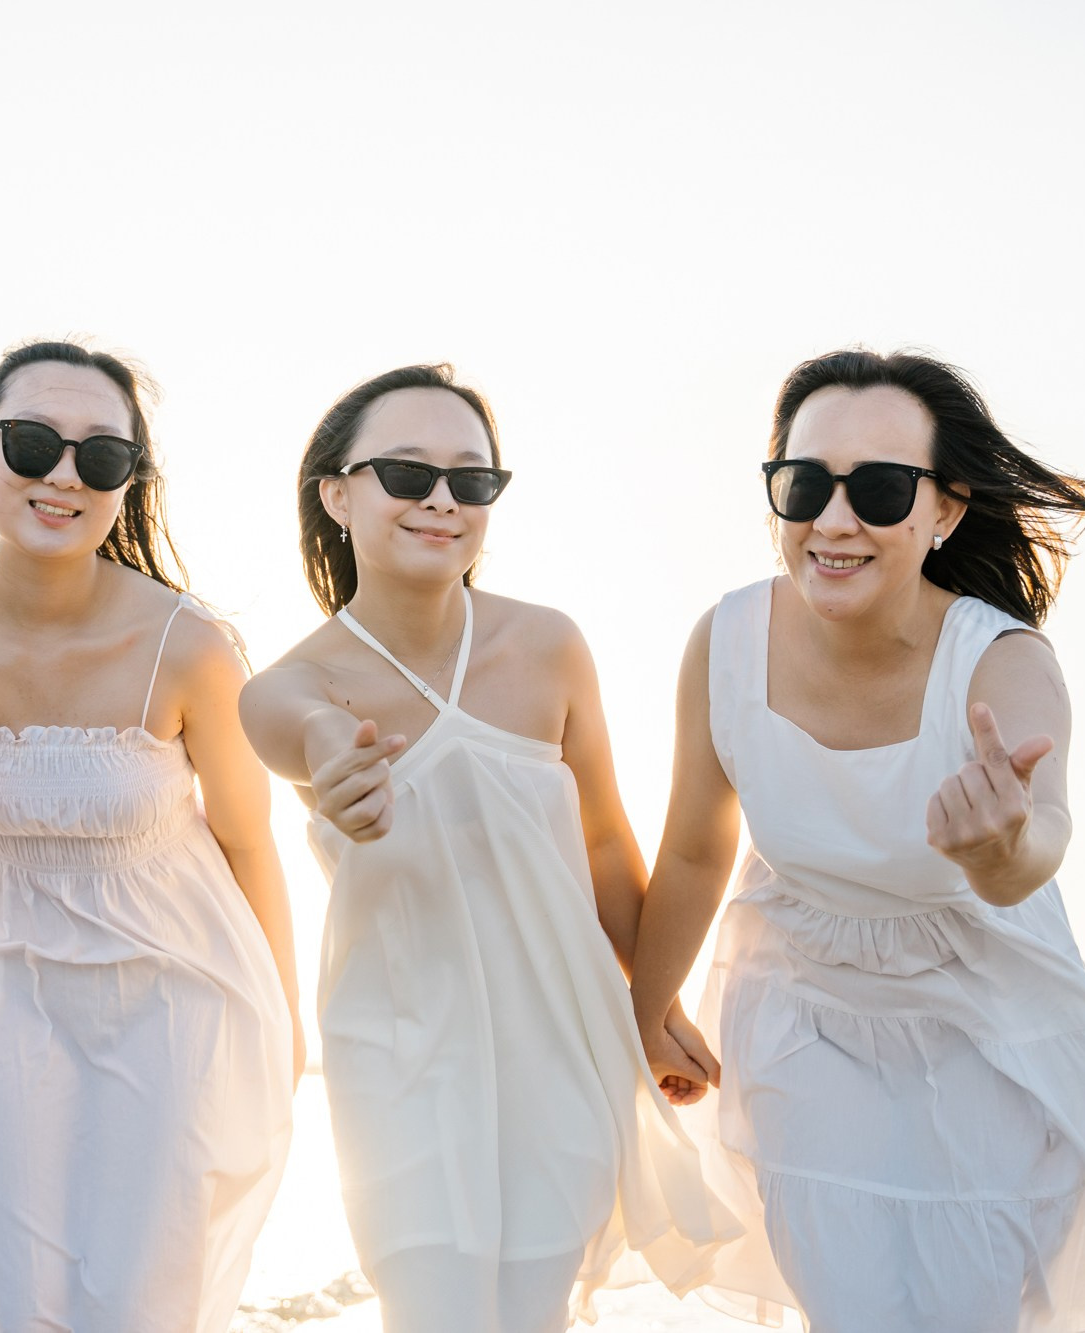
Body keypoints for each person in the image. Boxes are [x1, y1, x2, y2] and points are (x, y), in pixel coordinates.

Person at [630, 349, 1085, 1329]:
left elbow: (1038, 841)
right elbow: (697, 850)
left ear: (943, 511)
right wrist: (644, 1002)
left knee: (964, 1305)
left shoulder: (999, 659)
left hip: (983, 1018)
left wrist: (996, 846)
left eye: (878, 489)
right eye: (802, 485)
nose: (834, 521)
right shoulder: (725, 638)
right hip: (800, 1006)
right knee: (849, 1303)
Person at [238, 365, 737, 1333]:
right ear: (336, 494)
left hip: (562, 1042)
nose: (440, 498)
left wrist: (652, 1004)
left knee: (530, 1312)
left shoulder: (549, 645)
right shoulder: (288, 686)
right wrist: (334, 758)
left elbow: (602, 841)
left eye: (470, 480)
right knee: (430, 1309)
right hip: (400, 1056)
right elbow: (299, 731)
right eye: (406, 472)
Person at [0, 340, 298, 1333]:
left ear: (125, 485)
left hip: (181, 993)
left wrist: (287, 1019)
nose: (63, 474)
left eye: (99, 458)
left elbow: (246, 840)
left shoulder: (187, 644)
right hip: (5, 987)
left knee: (143, 1302)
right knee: (19, 1301)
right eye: (31, 443)